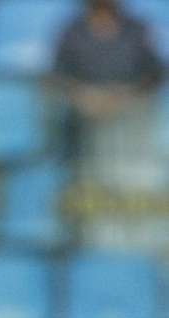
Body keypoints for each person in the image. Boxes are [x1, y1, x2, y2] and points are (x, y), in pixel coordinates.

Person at [50, 0, 167, 247]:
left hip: (134, 132)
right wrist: (85, 97)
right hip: (83, 134)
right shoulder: (72, 31)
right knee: (93, 201)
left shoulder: (138, 30)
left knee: (136, 189)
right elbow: (59, 77)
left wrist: (124, 97)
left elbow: (154, 75)